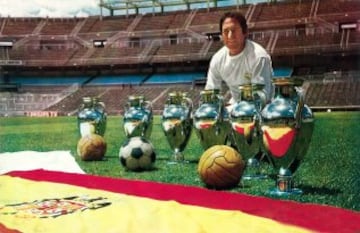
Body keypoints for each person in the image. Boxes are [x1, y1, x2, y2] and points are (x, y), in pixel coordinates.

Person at [205, 11, 273, 108]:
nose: (230, 36)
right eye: (225, 31)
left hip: (264, 108)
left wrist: (233, 108)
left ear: (245, 32)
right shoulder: (217, 59)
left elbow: (262, 96)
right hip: (236, 105)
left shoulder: (258, 56)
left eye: (234, 30)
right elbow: (211, 92)